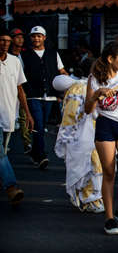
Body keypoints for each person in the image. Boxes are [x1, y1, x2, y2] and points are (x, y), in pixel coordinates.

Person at [85, 42, 118, 235]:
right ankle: (109, 218)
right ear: (111, 59)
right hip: (104, 126)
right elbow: (87, 109)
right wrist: (96, 95)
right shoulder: (94, 79)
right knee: (109, 173)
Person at [53, 57, 105, 213]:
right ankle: (89, 198)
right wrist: (68, 138)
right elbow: (71, 115)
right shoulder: (78, 89)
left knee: (95, 166)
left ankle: (92, 197)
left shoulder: (96, 86)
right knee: (87, 166)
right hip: (82, 136)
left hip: (97, 134)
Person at [21, 26, 68, 169]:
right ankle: (41, 155)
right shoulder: (24, 55)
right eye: (34, 36)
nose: (36, 38)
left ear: (44, 38)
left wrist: (70, 82)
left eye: (39, 36)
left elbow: (62, 71)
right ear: (30, 38)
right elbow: (20, 76)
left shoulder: (53, 54)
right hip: (33, 95)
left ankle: (34, 152)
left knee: (42, 125)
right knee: (39, 125)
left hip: (50, 96)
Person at [0, 28, 34, 205]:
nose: (5, 44)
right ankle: (11, 187)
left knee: (3, 152)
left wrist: (27, 113)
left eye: (7, 41)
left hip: (8, 114)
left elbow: (20, 89)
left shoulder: (14, 62)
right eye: (2, 40)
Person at [9, 28, 32, 154]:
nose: (20, 39)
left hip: (23, 88)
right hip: (9, 89)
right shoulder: (7, 55)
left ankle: (26, 142)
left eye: (22, 37)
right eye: (17, 37)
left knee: (24, 115)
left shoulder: (25, 54)